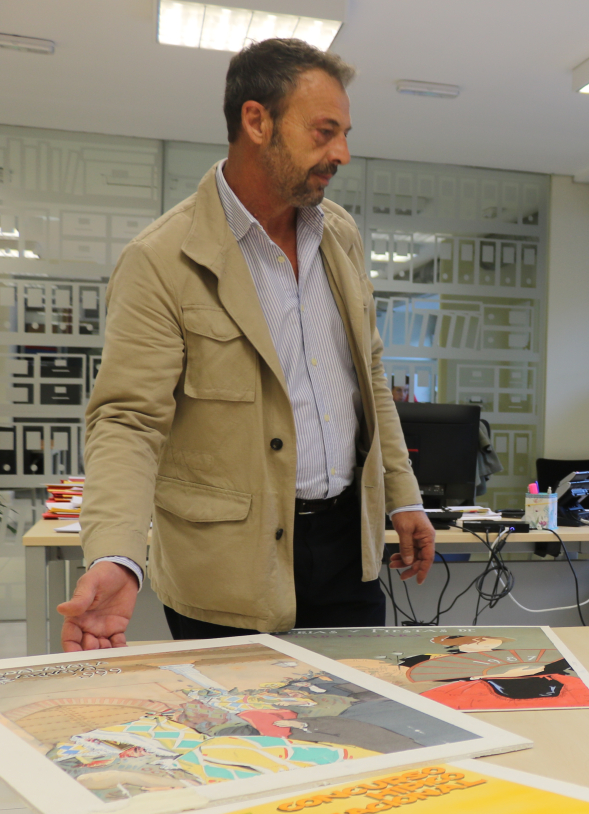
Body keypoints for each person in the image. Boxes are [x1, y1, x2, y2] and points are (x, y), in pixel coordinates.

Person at [59, 38, 436, 649]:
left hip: (348, 549)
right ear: (257, 121)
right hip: (227, 567)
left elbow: (369, 377)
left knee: (360, 707)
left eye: (344, 134)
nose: (341, 153)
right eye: (324, 132)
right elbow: (128, 421)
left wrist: (403, 499)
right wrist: (116, 554)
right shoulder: (161, 258)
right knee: (239, 714)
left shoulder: (339, 234)